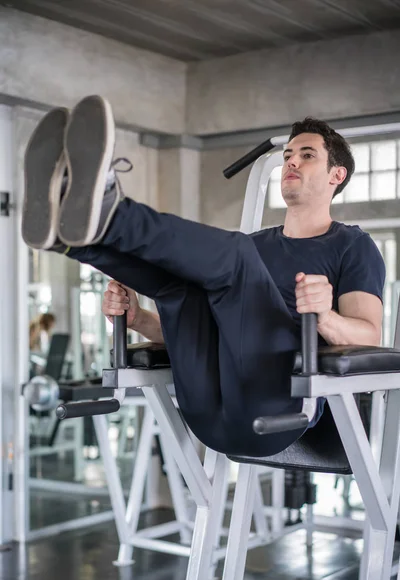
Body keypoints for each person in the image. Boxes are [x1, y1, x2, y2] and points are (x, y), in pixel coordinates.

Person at [21, 95, 385, 457]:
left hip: (279, 409)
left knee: (236, 256)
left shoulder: (351, 245)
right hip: (205, 414)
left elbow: (369, 337)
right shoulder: (252, 247)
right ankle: (71, 241)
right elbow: (204, 326)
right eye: (288, 155)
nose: (292, 162)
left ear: (338, 175)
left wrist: (325, 316)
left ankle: (111, 215)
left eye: (307, 155)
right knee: (181, 287)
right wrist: (140, 320)